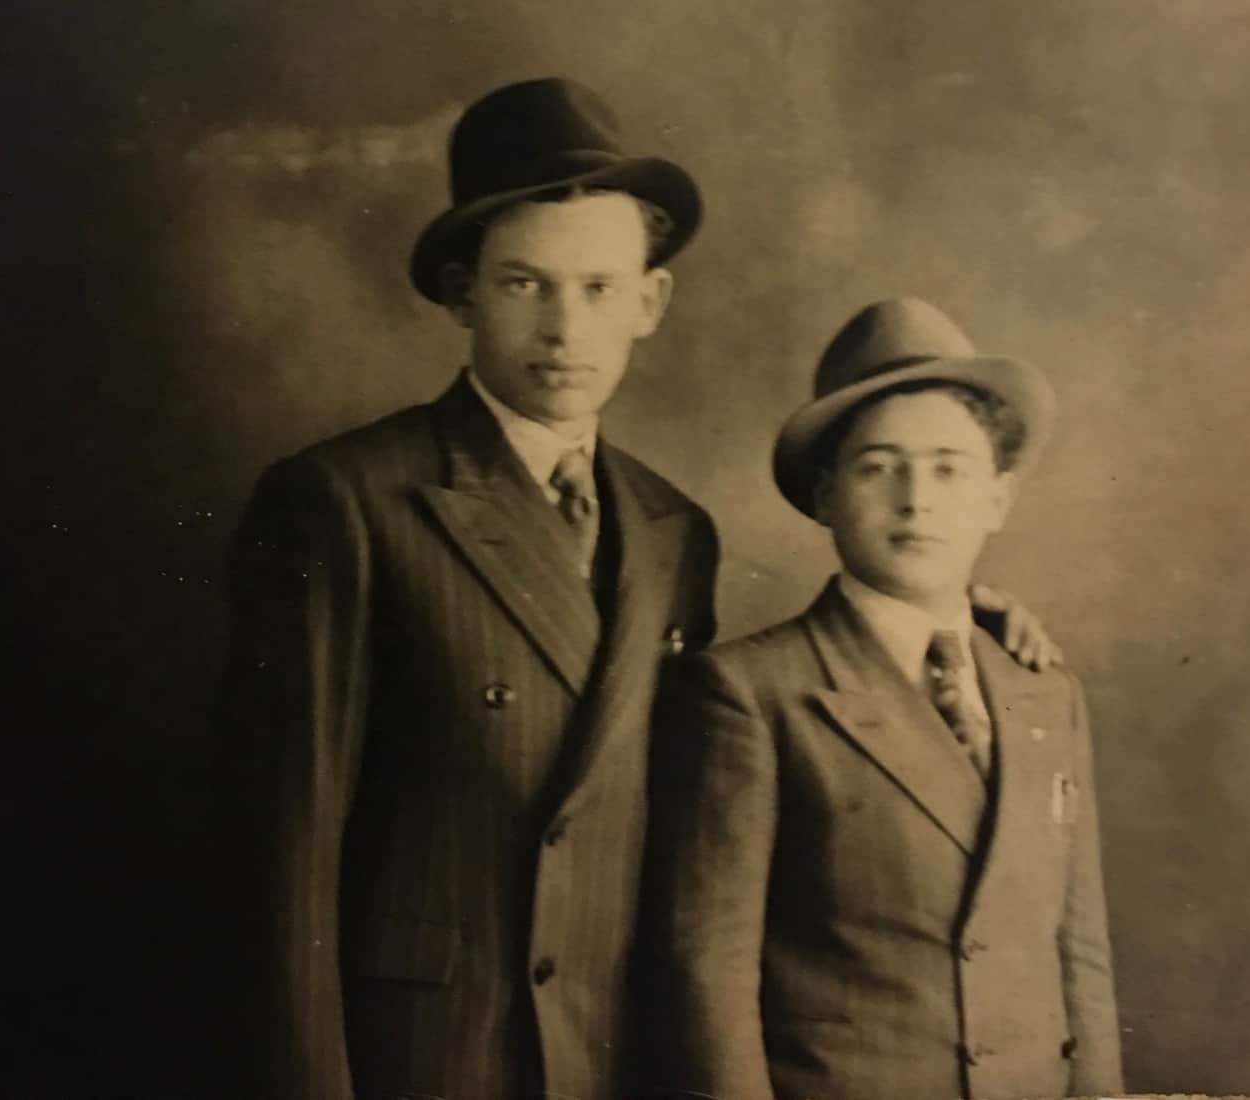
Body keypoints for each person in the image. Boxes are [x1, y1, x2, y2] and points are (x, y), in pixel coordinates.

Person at [219, 79, 1060, 1100]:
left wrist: (955, 622)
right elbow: (284, 853)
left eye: (601, 288)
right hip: (426, 1056)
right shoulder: (350, 499)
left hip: (611, 1051)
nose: (566, 329)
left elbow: (722, 755)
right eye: (526, 284)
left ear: (650, 303)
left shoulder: (671, 531)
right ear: (460, 292)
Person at [640, 297, 1123, 1100]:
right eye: (877, 467)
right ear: (824, 497)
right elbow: (708, 969)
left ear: (997, 500)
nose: (914, 498)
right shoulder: (752, 693)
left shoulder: (1043, 693)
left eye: (947, 468)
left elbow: (1080, 948)